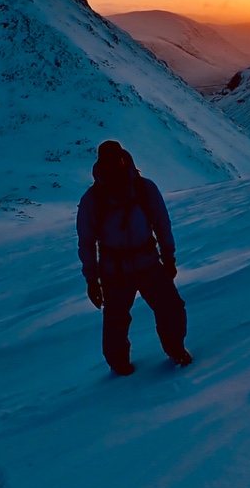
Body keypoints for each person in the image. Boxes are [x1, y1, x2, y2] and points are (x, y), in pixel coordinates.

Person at [77, 140, 192, 375]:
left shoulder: (107, 196)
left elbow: (87, 243)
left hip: (129, 266)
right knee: (130, 318)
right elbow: (162, 225)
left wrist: (92, 279)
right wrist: (91, 279)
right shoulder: (105, 197)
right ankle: (158, 355)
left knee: (133, 317)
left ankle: (163, 354)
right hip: (132, 266)